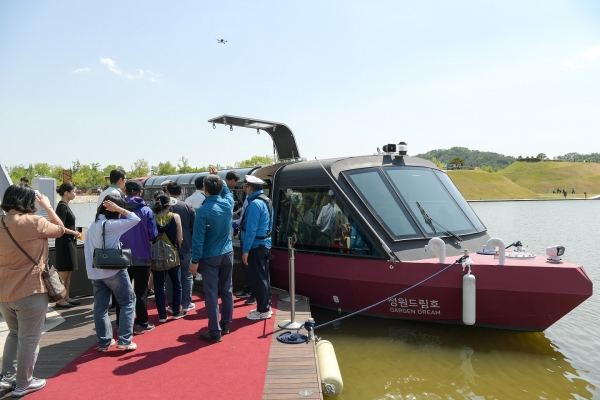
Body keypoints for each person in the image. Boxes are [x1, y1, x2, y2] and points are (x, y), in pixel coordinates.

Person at [0, 185, 77, 397]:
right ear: (28, 202)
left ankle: (6, 378)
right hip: (31, 291)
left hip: (5, 292)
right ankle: (24, 383)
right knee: (29, 339)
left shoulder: (1, 222)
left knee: (14, 334)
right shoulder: (35, 222)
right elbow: (60, 229)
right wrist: (48, 206)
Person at [84, 196, 140, 352]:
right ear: (113, 209)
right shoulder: (110, 225)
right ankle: (125, 340)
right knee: (128, 302)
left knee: (100, 308)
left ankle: (104, 342)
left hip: (95, 272)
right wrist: (120, 209)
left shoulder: (93, 225)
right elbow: (135, 219)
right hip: (113, 270)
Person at [190, 167, 234, 342]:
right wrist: (217, 177)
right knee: (227, 290)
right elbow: (227, 191)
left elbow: (198, 239)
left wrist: (194, 260)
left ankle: (215, 331)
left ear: (205, 190)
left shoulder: (203, 211)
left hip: (210, 257)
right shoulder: (228, 204)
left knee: (211, 294)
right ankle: (226, 324)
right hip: (227, 253)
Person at [117, 180, 158, 335]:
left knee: (122, 292)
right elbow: (152, 234)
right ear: (140, 193)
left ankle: (122, 323)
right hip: (142, 255)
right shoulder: (146, 211)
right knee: (140, 292)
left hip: (121, 256)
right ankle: (141, 322)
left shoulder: (118, 209)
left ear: (125, 192)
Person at [240, 176, 274, 321]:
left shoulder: (254, 204)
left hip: (255, 245)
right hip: (265, 243)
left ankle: (262, 310)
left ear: (249, 187)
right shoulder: (267, 201)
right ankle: (266, 305)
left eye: (245, 186)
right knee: (265, 276)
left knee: (258, 278)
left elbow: (251, 230)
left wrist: (245, 250)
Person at [151, 193, 185, 322]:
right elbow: (180, 238)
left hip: (156, 256)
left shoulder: (152, 217)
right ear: (169, 205)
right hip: (172, 255)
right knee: (177, 283)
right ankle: (176, 311)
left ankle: (162, 315)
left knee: (159, 286)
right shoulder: (175, 216)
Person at [165, 182, 196, 313]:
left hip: (168, 247)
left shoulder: (164, 207)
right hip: (186, 246)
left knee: (170, 277)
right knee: (186, 275)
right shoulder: (188, 206)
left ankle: (172, 304)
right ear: (181, 192)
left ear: (167, 192)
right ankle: (186, 303)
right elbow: (194, 227)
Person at [54, 181, 82, 309]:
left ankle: (66, 296)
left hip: (70, 241)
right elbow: (59, 227)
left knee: (69, 270)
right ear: (66, 193)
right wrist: (74, 232)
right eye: (74, 192)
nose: (75, 194)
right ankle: (60, 299)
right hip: (64, 242)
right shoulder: (62, 207)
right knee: (64, 271)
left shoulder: (65, 205)